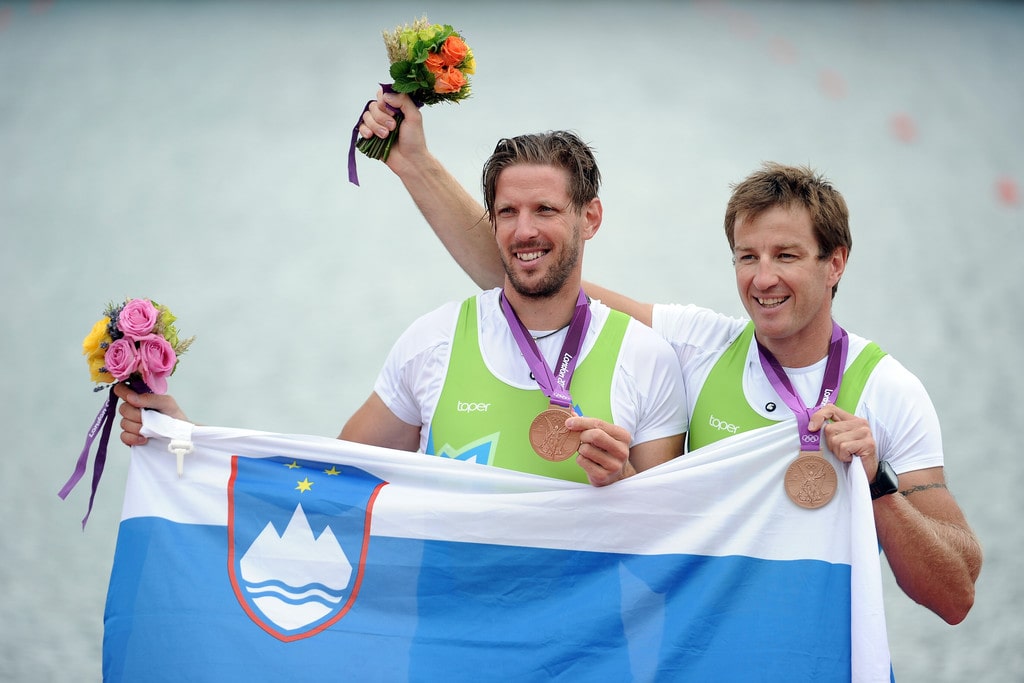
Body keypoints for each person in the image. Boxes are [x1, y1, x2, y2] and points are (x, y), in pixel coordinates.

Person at [355, 89, 982, 624]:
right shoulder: (697, 347)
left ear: (836, 262)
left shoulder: (889, 390)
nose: (763, 279)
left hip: (821, 660)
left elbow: (955, 597)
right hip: (700, 659)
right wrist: (415, 164)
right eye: (747, 257)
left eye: (786, 256)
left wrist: (877, 483)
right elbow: (529, 271)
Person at [115, 130, 687, 488]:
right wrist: (188, 438)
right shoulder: (434, 340)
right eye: (508, 212)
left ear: (590, 218)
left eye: (545, 209)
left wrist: (624, 479)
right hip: (448, 642)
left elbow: (674, 542)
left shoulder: (646, 357)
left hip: (583, 655)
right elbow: (330, 481)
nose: (525, 231)